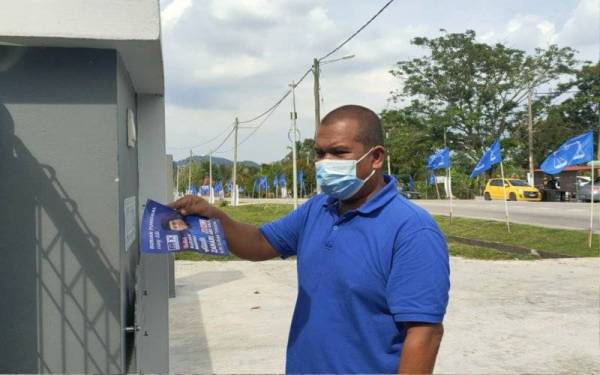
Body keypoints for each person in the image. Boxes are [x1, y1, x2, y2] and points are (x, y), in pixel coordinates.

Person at [170, 105, 450, 374]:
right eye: (320, 153)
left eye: (339, 153)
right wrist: (214, 217)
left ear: (376, 158)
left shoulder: (412, 231)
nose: (325, 163)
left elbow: (424, 333)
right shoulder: (318, 208)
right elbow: (259, 242)